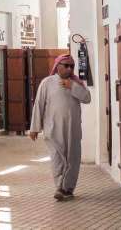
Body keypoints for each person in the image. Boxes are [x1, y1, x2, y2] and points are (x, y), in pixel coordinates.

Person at [29, 54, 91, 201]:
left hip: (72, 129)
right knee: (57, 158)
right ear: (58, 67)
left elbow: (87, 98)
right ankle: (60, 187)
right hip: (52, 128)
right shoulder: (47, 83)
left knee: (72, 159)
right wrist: (34, 128)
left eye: (72, 66)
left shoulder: (76, 83)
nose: (69, 69)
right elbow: (39, 104)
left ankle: (67, 188)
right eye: (66, 66)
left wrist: (72, 87)